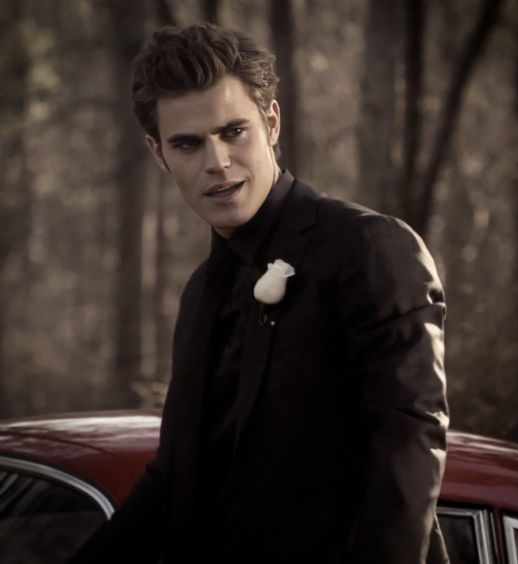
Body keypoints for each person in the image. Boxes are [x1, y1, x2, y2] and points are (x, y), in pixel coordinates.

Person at [70, 23, 450, 564]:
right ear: (159, 153)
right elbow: (174, 480)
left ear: (271, 122)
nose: (216, 162)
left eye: (233, 132)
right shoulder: (201, 294)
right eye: (188, 143)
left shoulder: (368, 247)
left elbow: (408, 446)